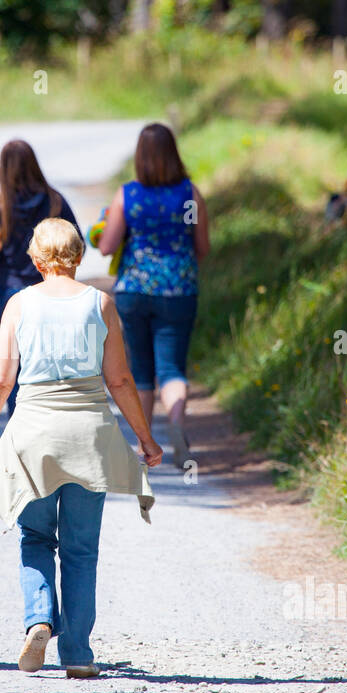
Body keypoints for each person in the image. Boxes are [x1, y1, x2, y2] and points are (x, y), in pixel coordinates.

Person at [0, 218, 162, 679]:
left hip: (33, 435)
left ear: (35, 260)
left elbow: (0, 379)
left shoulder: (19, 304)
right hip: (89, 435)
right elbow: (119, 380)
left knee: (35, 537)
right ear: (79, 257)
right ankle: (77, 652)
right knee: (80, 548)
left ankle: (38, 620)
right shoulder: (101, 304)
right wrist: (145, 438)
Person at [96, 123, 209, 469]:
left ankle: (145, 446)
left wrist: (103, 227)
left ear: (140, 157)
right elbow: (202, 248)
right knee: (172, 367)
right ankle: (176, 427)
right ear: (174, 153)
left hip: (134, 289)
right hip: (179, 289)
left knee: (141, 369)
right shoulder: (190, 194)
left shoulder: (128, 195)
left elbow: (107, 246)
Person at [0, 140, 77, 415]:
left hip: (6, 297)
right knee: (50, 368)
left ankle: (20, 427)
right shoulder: (56, 203)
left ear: (3, 169)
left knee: (8, 370)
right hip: (52, 295)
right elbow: (76, 246)